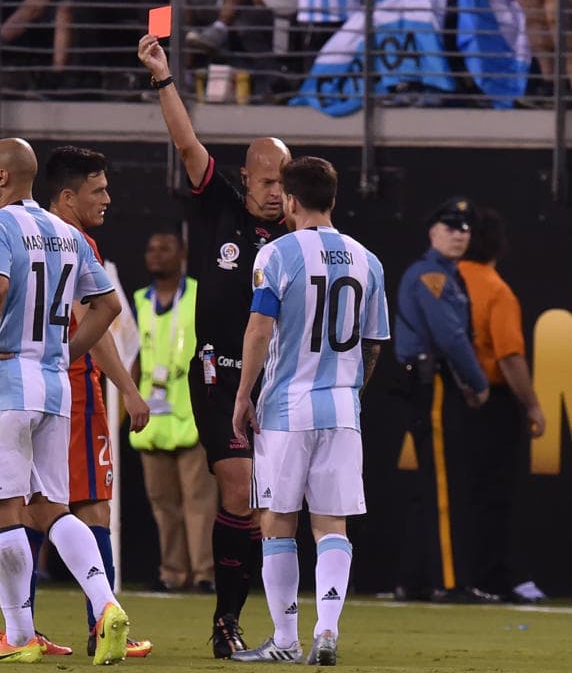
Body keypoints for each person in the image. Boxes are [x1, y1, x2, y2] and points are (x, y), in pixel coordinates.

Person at [138, 31, 290, 658]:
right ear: (246, 177)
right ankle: (226, 621)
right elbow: (186, 142)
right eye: (266, 180)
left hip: (278, 380)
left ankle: (267, 616)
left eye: (284, 180)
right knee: (238, 491)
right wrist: (163, 78)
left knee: (267, 510)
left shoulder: (304, 230)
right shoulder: (222, 204)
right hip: (219, 374)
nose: (275, 191)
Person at [0, 137, 129, 665]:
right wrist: (61, 353)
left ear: (5, 177)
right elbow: (108, 306)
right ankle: (105, 606)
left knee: (0, 509)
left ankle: (17, 637)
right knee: (49, 507)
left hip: (5, 383)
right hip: (55, 388)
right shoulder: (67, 234)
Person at [230, 156, 389, 665]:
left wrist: (243, 394)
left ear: (292, 201)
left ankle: (285, 639)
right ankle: (327, 629)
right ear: (335, 201)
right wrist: (350, 393)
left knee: (278, 522)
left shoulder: (276, 255)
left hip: (286, 409)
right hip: (342, 410)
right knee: (331, 526)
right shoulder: (369, 261)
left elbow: (258, 329)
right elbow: (373, 345)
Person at [19, 145, 151, 659]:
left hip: (27, 388)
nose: (108, 199)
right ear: (68, 196)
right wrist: (130, 389)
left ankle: (23, 632)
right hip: (71, 391)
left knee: (30, 507)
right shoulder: (74, 243)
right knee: (90, 506)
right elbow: (98, 322)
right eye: (98, 190)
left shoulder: (21, 232)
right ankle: (101, 623)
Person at [393, 196, 495, 604]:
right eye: (450, 227)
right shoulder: (431, 276)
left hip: (434, 381)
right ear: (432, 233)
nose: (459, 234)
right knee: (443, 486)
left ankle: (414, 578)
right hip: (431, 383)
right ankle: (449, 582)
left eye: (465, 229)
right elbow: (450, 336)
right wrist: (478, 381)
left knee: (433, 485)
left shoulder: (446, 274)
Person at [457, 206, 547, 603]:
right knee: (494, 496)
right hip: (491, 403)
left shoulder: (444, 280)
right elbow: (509, 357)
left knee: (459, 494)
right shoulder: (495, 289)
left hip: (450, 399)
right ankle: (491, 577)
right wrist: (532, 405)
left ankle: (452, 576)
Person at [129, 228, 218, 594]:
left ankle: (203, 574)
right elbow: (130, 357)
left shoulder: (199, 295)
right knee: (163, 505)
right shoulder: (138, 301)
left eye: (164, 248)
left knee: (199, 502)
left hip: (191, 414)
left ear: (181, 253)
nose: (155, 254)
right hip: (152, 417)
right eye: (151, 247)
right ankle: (172, 573)